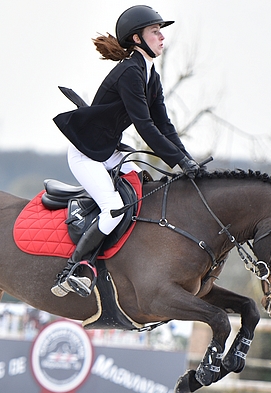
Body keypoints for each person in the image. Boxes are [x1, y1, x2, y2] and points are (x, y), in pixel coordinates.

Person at [51, 5, 200, 298]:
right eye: (155, 32)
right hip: (86, 154)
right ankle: (74, 268)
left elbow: (164, 125)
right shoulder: (129, 72)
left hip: (107, 152)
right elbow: (145, 126)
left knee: (142, 189)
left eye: (161, 32)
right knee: (114, 209)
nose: (161, 37)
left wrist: (189, 161)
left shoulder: (149, 74)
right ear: (137, 39)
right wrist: (178, 161)